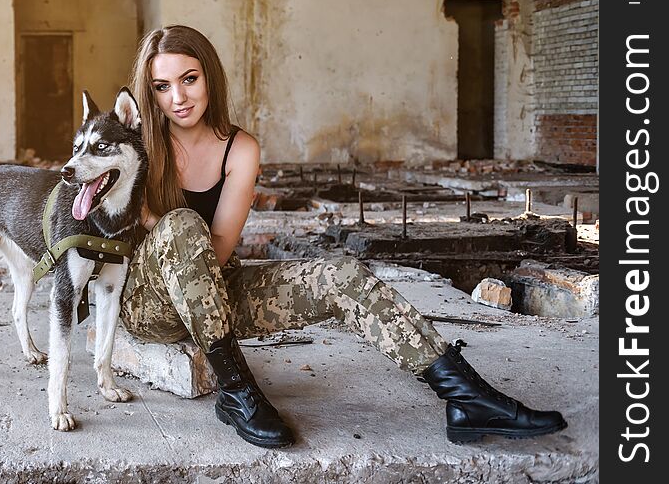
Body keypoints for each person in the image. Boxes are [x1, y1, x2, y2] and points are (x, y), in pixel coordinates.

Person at [120, 24, 567, 448]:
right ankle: (237, 393)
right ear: (150, 92)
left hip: (213, 286)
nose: (178, 97)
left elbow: (218, 248)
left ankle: (467, 397)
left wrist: (150, 216)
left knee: (340, 273)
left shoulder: (241, 148)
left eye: (189, 79)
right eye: (162, 87)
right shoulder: (133, 141)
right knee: (179, 224)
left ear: (209, 76)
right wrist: (144, 219)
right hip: (149, 302)